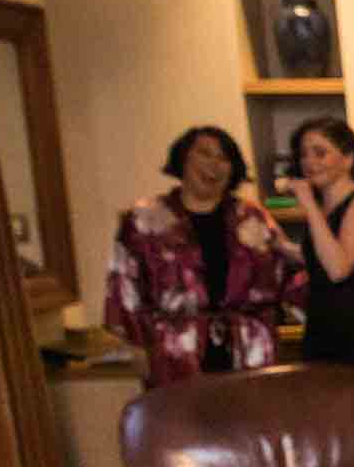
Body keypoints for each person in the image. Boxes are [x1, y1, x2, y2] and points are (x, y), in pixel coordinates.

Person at [105, 125, 305, 387]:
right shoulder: (145, 219)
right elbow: (123, 285)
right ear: (182, 160)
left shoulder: (251, 216)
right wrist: (135, 345)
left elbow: (288, 272)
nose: (214, 165)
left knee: (246, 425)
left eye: (224, 159)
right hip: (176, 352)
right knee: (183, 425)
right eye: (204, 154)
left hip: (248, 351)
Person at [263, 116, 354, 368]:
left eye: (320, 153)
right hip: (322, 324)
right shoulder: (323, 208)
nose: (309, 162)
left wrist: (308, 205)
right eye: (304, 154)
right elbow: (318, 258)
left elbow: (338, 268)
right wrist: (279, 244)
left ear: (348, 159)